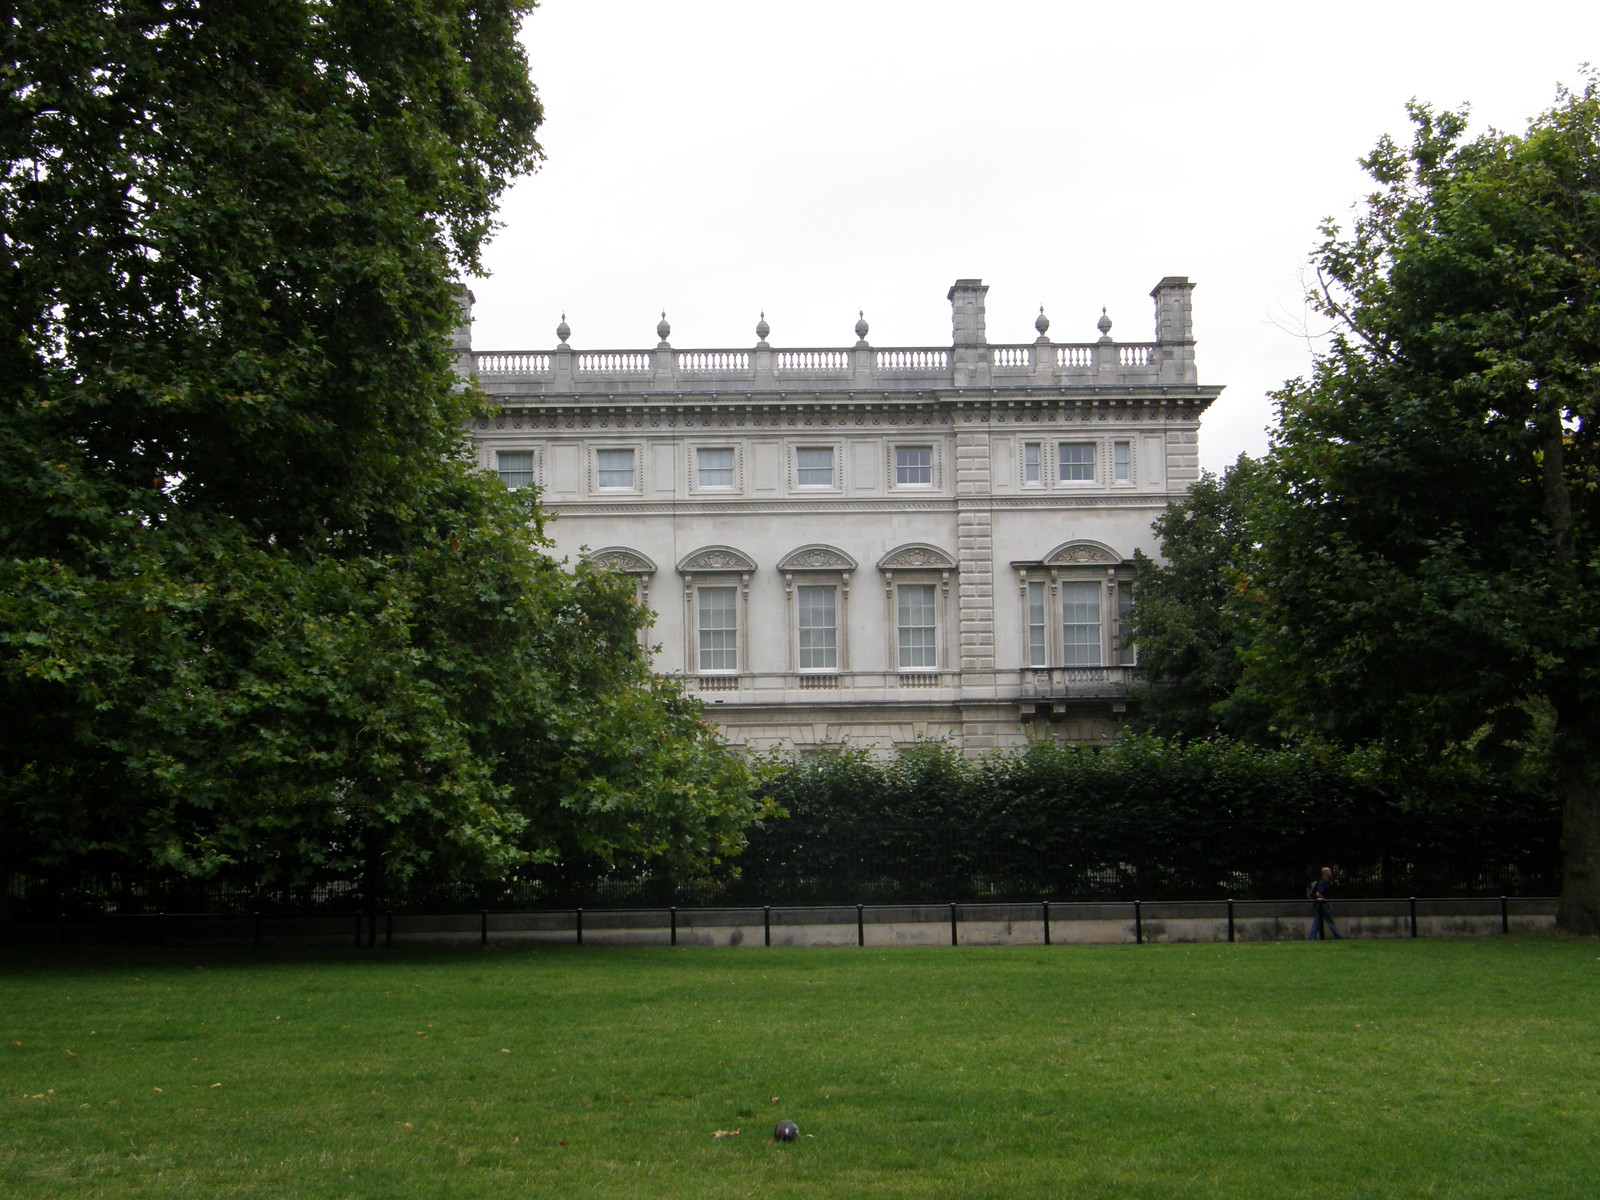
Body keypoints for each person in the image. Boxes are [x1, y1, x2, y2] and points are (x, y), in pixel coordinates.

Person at [1307, 866, 1343, 940]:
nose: (1331, 873)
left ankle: (1311, 938)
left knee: (1316, 922)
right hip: (1323, 904)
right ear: (1325, 873)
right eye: (1329, 871)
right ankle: (1339, 937)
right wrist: (1326, 901)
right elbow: (1318, 893)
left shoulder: (1320, 881)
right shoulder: (1324, 882)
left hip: (1318, 904)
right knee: (1330, 922)